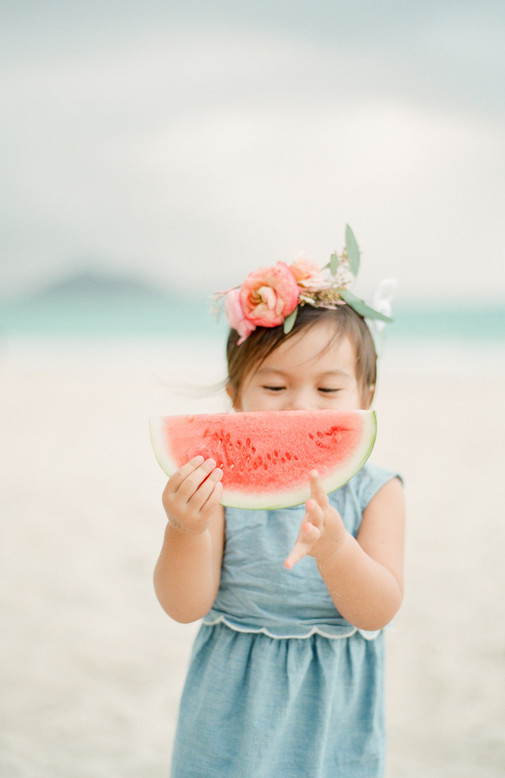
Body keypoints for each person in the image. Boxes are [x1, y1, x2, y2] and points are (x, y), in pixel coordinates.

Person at [153, 227, 405, 777]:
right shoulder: (221, 490)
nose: (300, 408)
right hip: (230, 720)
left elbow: (378, 610)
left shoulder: (378, 491)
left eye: (328, 389)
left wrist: (336, 550)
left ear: (366, 397)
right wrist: (185, 529)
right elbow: (184, 605)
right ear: (235, 396)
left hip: (333, 723)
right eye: (274, 388)